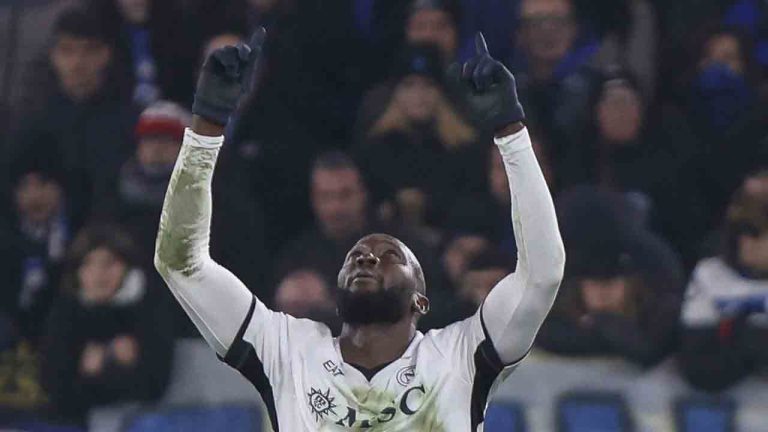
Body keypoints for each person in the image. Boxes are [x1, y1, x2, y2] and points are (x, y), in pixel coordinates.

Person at [154, 29, 564, 430]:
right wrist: (207, 124)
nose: (367, 257)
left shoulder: (460, 355)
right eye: (356, 257)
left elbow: (542, 274)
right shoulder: (287, 351)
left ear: (421, 302)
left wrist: (512, 133)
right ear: (337, 292)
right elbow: (180, 263)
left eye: (390, 257)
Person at [11, 7, 137, 220]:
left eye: (88, 51)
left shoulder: (128, 121)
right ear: (53, 56)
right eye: (67, 51)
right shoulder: (31, 119)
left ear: (105, 55)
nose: (77, 62)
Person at [43, 225, 173, 424]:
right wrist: (91, 374)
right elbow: (57, 394)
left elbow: (155, 387)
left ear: (127, 267)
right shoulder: (64, 315)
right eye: (88, 264)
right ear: (77, 271)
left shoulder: (149, 311)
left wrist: (111, 369)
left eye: (109, 263)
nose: (99, 273)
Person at [679, 171, 768, 392]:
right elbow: (697, 365)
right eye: (743, 232)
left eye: (757, 234)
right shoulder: (711, 274)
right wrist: (747, 339)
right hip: (732, 398)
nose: (748, 243)